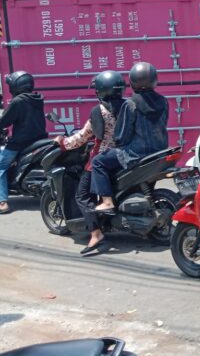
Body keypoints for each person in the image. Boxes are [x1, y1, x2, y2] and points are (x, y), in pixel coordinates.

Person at [56, 71, 126, 254]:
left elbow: (82, 137)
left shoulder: (99, 111)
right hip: (125, 157)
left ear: (102, 90)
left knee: (82, 195)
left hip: (101, 158)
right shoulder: (128, 106)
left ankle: (96, 233)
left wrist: (62, 142)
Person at [89, 62, 168, 213]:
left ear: (131, 82)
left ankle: (106, 201)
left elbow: (121, 135)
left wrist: (119, 144)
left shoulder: (131, 104)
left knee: (98, 161)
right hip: (159, 151)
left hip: (136, 154)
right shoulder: (164, 102)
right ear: (155, 80)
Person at [0, 71, 47, 214]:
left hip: (21, 143)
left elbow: (5, 120)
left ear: (16, 85)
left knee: (1, 166)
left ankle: (2, 201)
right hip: (40, 140)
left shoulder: (18, 101)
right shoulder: (37, 98)